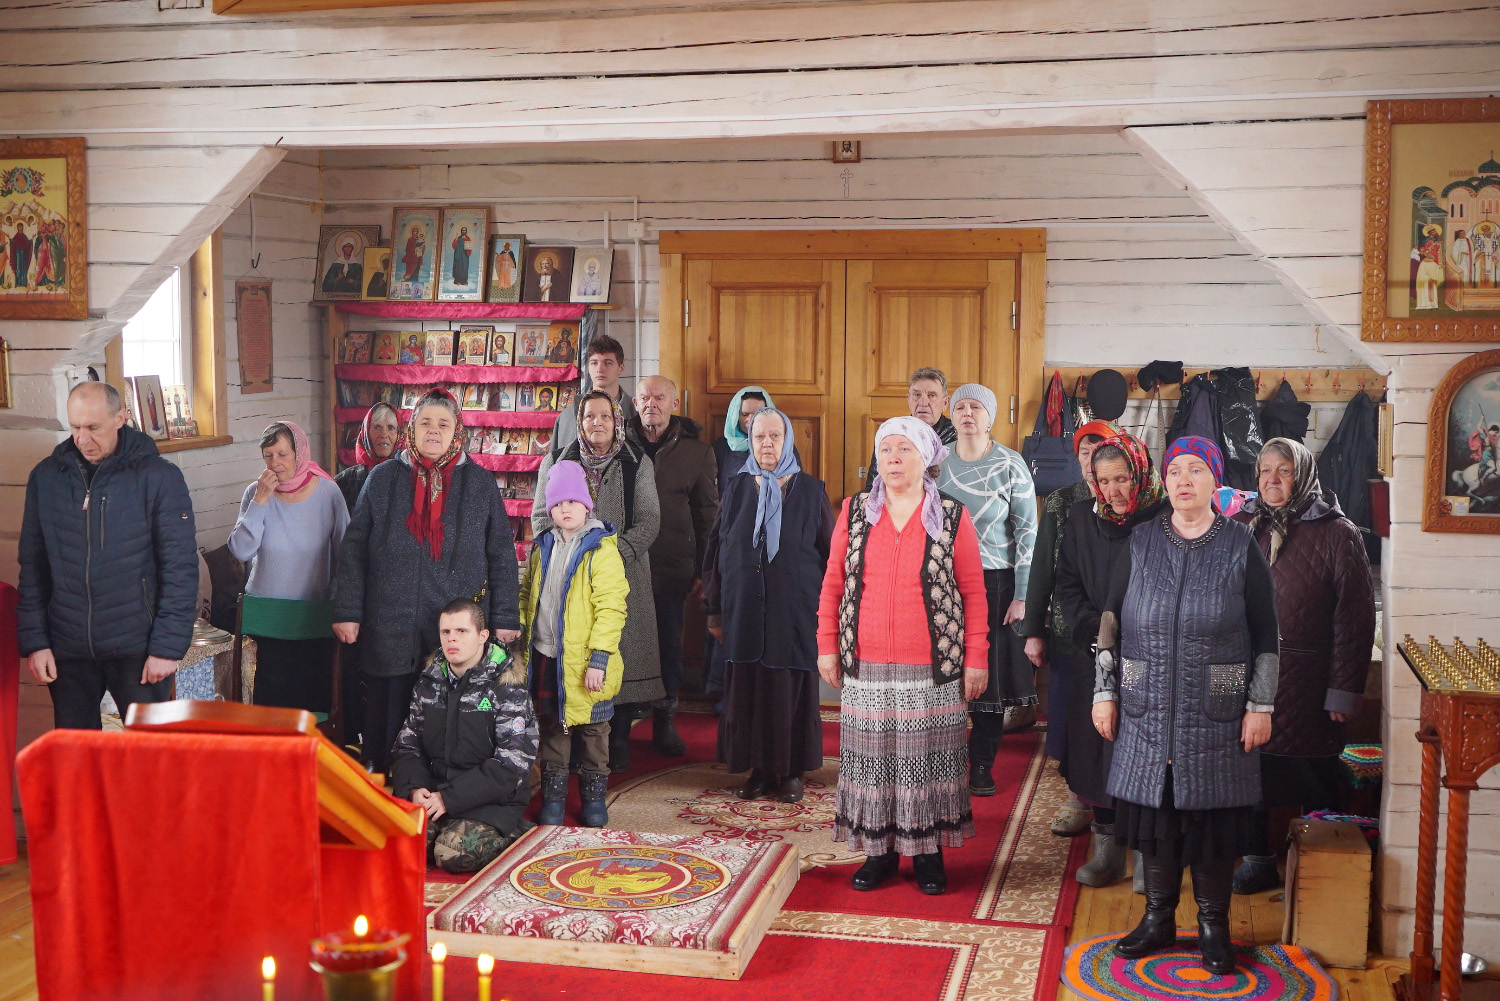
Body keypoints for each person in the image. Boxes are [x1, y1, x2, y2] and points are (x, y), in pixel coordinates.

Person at [1091, 436, 1278, 974]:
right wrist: (1104, 694)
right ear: (1164, 481)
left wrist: (1260, 704)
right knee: (1156, 817)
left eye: (1196, 469)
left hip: (1218, 709)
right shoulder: (1142, 540)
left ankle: (1214, 924)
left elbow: (1267, 634)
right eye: (1175, 470)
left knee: (1211, 820)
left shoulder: (1240, 544)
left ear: (1215, 480)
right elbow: (1110, 624)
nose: (1183, 480)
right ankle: (1158, 919)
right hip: (1145, 705)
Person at [818, 417, 990, 896]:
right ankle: (880, 855)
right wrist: (827, 645)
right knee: (873, 763)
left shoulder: (952, 515)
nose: (892, 459)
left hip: (933, 666)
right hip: (865, 662)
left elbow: (974, 592)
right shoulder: (854, 511)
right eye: (885, 450)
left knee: (927, 763)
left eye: (903, 449)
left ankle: (929, 854)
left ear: (925, 457)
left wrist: (977, 657)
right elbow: (833, 582)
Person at [333, 388, 520, 775]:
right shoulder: (383, 478)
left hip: (453, 623)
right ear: (412, 429)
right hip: (390, 617)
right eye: (425, 423)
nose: (433, 431)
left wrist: (505, 616)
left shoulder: (479, 483)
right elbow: (353, 550)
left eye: (443, 424)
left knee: (448, 709)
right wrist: (347, 610)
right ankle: (386, 787)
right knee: (387, 708)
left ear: (457, 432)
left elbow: (502, 553)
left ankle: (441, 790)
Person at [1230, 438, 1375, 894]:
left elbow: (1354, 620)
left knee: (1313, 773)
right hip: (1248, 676)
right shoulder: (1241, 525)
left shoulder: (1338, 533)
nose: (1272, 479)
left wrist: (1343, 692)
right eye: (1265, 470)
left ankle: (1320, 865)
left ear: (1304, 475)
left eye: (1284, 470)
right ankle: (1257, 859)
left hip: (1309, 682)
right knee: (1250, 769)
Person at [19, 381, 198, 728]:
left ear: (121, 418)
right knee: (76, 754)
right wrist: (36, 642)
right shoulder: (46, 478)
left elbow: (180, 568)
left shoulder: (160, 478)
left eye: (93, 427)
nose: (82, 439)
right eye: (75, 427)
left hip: (139, 648)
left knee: (150, 753)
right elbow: (33, 568)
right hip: (68, 648)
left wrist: (166, 648)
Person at [1054, 431, 1167, 887]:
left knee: (1142, 755)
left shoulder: (1164, 518)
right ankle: (1108, 852)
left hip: (1149, 656)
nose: (1113, 491)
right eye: (1104, 481)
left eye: (1122, 479)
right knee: (1096, 753)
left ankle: (1146, 853)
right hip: (1094, 653)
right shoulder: (1083, 518)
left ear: (1139, 474)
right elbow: (1067, 583)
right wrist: (1092, 631)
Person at [705, 408, 833, 803]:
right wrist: (715, 609)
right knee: (751, 690)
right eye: (759, 436)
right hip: (744, 610)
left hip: (794, 612)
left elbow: (832, 557)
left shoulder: (811, 491)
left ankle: (792, 772)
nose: (767, 444)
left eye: (775, 436)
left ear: (787, 440)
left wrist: (829, 616)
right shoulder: (737, 488)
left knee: (790, 690)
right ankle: (759, 770)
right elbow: (717, 549)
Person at [534, 390, 662, 771]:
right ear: (580, 421)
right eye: (589, 416)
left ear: (617, 419)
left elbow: (650, 520)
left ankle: (617, 739)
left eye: (605, 415)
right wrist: (572, 553)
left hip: (622, 574)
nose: (597, 423)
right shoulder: (556, 461)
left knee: (616, 655)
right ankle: (570, 745)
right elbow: (540, 518)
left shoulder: (637, 462)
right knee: (573, 660)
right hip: (566, 578)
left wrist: (608, 555)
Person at [936, 384, 1038, 798]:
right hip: (941, 580)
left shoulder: (1011, 463)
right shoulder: (936, 460)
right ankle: (942, 762)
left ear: (990, 417)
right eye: (960, 405)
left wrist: (1023, 594)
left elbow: (1028, 532)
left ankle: (981, 764)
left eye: (976, 407)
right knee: (943, 673)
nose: (967, 413)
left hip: (996, 582)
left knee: (987, 680)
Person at [390, 599, 539, 872]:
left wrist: (449, 798)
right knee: (399, 844)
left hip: (490, 802)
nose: (452, 639)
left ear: (483, 636)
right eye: (446, 632)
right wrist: (414, 788)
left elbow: (512, 765)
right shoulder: (429, 682)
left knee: (452, 853)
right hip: (435, 793)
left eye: (462, 631)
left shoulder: (507, 686)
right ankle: (442, 828)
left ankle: (517, 833)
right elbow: (407, 745)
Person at [521, 461, 630, 827]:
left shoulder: (601, 550)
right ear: (549, 509)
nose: (565, 509)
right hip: (547, 655)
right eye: (558, 503)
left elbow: (611, 607)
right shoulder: (542, 547)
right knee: (554, 728)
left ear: (587, 505)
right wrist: (519, 631)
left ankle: (593, 799)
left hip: (587, 660)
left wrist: (600, 658)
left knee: (594, 731)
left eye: (572, 501)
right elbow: (527, 595)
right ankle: (553, 798)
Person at [1021, 419, 1117, 834]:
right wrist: (1033, 630)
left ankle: (1112, 804)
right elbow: (1042, 568)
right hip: (1068, 632)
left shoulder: (1133, 503)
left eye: (1100, 452)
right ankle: (1077, 797)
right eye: (1084, 453)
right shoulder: (1063, 502)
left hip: (1119, 636)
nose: (1092, 462)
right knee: (1069, 723)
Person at [228, 421, 349, 712]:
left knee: (311, 704)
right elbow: (240, 550)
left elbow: (346, 555)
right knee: (270, 707)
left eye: (283, 454)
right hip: (267, 619)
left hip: (312, 617)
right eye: (268, 456)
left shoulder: (328, 493)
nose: (275, 463)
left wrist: (339, 600)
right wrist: (260, 500)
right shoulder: (255, 493)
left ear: (299, 453)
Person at [628, 375, 719, 756]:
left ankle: (665, 718)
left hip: (671, 566)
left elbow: (707, 516)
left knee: (668, 642)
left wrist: (704, 571)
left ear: (674, 404)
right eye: (645, 397)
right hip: (622, 564)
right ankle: (621, 724)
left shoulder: (697, 453)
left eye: (660, 397)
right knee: (622, 643)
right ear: (635, 403)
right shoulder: (618, 445)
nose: (652, 404)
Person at [861, 367, 957, 489]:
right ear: (908, 400)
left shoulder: (958, 436)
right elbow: (873, 486)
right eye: (917, 395)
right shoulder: (891, 434)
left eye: (932, 395)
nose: (923, 402)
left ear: (945, 403)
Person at [551, 333, 637, 447]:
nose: (600, 369)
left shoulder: (637, 415)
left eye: (608, 363)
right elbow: (556, 458)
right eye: (594, 363)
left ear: (621, 368)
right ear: (588, 368)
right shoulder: (568, 417)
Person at [335, 402, 401, 513]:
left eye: (391, 428)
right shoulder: (344, 482)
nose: (384, 434)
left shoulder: (408, 478)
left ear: (399, 434)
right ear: (366, 433)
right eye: (377, 427)